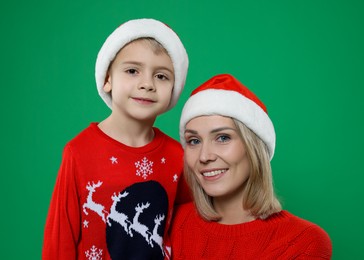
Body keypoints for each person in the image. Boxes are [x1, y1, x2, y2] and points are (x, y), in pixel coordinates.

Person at [42, 18, 190, 260]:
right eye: (132, 71)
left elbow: (189, 229)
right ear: (108, 79)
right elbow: (60, 239)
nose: (147, 84)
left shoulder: (177, 156)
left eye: (161, 76)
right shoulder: (79, 152)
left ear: (175, 87)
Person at [170, 74, 332, 259]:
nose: (205, 156)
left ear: (253, 148)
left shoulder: (304, 240)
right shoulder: (169, 222)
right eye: (194, 140)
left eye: (223, 138)